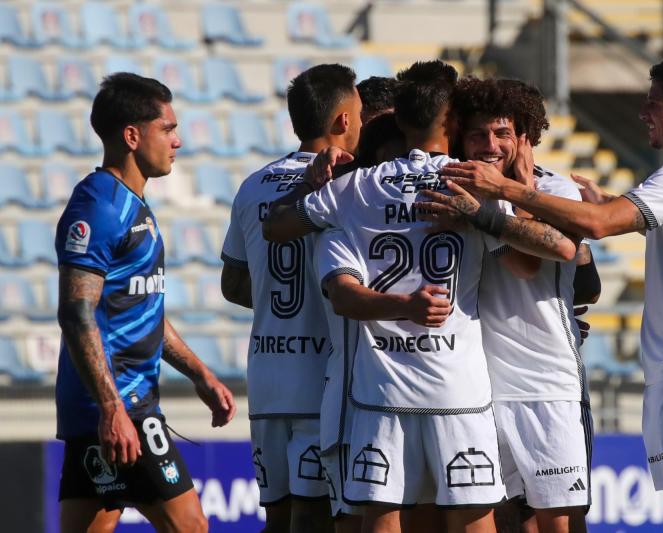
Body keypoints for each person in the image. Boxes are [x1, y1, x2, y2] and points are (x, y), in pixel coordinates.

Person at [431, 55, 663, 533]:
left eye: (654, 103)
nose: (644, 112)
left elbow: (590, 231)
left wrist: (504, 192)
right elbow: (656, 252)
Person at [264, 60, 581, 533]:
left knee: (382, 518)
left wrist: (318, 183)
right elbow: (560, 247)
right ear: (451, 121)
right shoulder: (470, 186)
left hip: (380, 391)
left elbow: (276, 227)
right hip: (459, 388)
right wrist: (482, 215)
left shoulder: (355, 189)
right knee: (474, 520)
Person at [55, 72, 236, 532]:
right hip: (121, 409)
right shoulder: (97, 207)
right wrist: (113, 408)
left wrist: (200, 373)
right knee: (191, 526)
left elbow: (142, 307)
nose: (177, 141)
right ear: (132, 136)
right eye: (168, 129)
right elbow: (77, 311)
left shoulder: (131, 204)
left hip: (116, 407)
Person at [445, 77, 598, 533]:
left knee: (560, 526)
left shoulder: (558, 192)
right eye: (477, 133)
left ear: (525, 136)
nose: (489, 145)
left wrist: (516, 189)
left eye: (502, 133)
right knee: (508, 523)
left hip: (549, 385)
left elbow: (528, 265)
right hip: (481, 387)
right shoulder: (459, 188)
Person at [220, 63, 362, 533]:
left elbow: (232, 284)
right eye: (359, 116)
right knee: (316, 515)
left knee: (276, 517)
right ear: (342, 121)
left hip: (266, 375)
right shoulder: (348, 186)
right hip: (320, 377)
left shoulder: (253, 185)